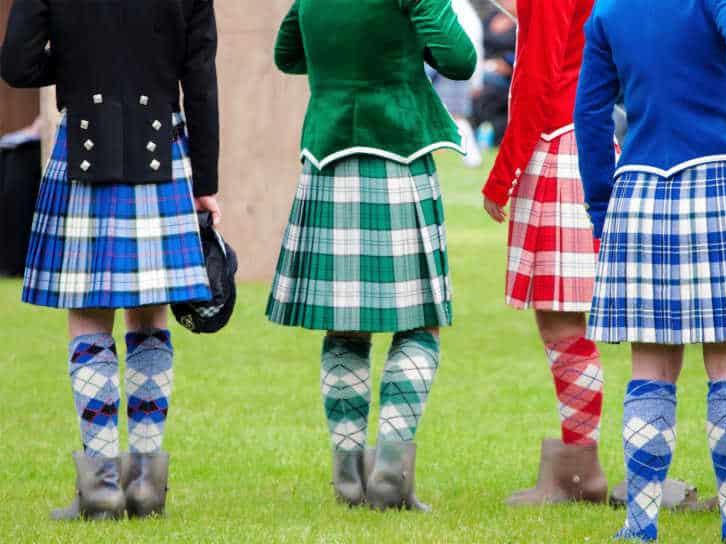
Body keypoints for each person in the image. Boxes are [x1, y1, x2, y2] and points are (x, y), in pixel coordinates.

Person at [575, 0, 726, 541]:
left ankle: (640, 526)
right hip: (721, 177)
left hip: (640, 187)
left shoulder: (608, 9)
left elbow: (590, 112)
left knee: (650, 368)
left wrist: (603, 204)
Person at [1, 0, 220, 521]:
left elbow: (17, 64)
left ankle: (99, 488)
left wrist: (77, 59)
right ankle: (145, 486)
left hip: (84, 142)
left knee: (88, 314)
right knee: (149, 316)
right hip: (161, 150)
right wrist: (206, 184)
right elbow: (201, 76)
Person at [268, 0, 476, 511]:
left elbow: (287, 55)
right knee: (420, 325)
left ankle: (347, 477)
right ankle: (389, 476)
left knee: (344, 329)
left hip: (328, 155)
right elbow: (460, 60)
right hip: (398, 154)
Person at [482, 0, 608, 506]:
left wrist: (502, 173)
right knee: (563, 321)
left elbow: (537, 77)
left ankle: (580, 470)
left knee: (563, 319)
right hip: (578, 136)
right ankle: (579, 466)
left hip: (558, 140)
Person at [428, 0, 484, 168]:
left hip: (453, 68)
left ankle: (472, 156)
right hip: (445, 66)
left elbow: (473, 45)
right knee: (452, 115)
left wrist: (476, 79)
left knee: (455, 115)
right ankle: (471, 156)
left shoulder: (459, 7)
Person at [471, 0, 516, 145]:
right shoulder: (491, 17)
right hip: (484, 67)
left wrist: (507, 64)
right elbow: (479, 44)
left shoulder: (522, 23)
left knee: (489, 89)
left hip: (508, 73)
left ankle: (487, 133)